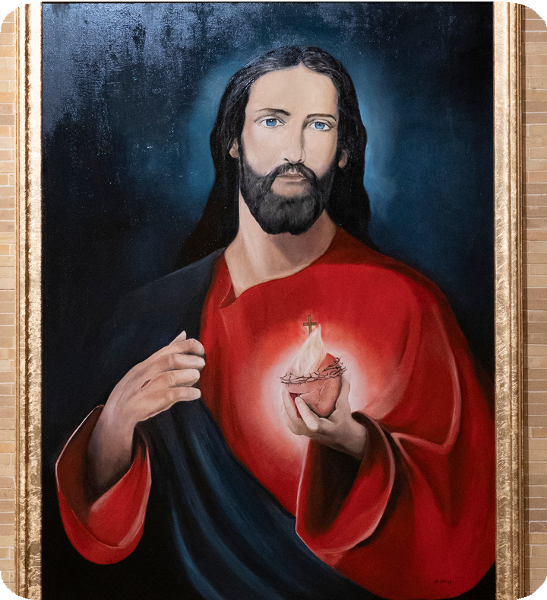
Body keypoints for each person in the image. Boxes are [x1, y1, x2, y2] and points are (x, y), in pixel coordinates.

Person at [55, 46, 495, 600]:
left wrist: (354, 442)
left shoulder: (409, 304)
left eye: (319, 125)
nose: (295, 151)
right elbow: (105, 544)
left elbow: (465, 526)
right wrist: (114, 427)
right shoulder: (153, 316)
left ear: (343, 150)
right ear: (234, 141)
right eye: (272, 121)